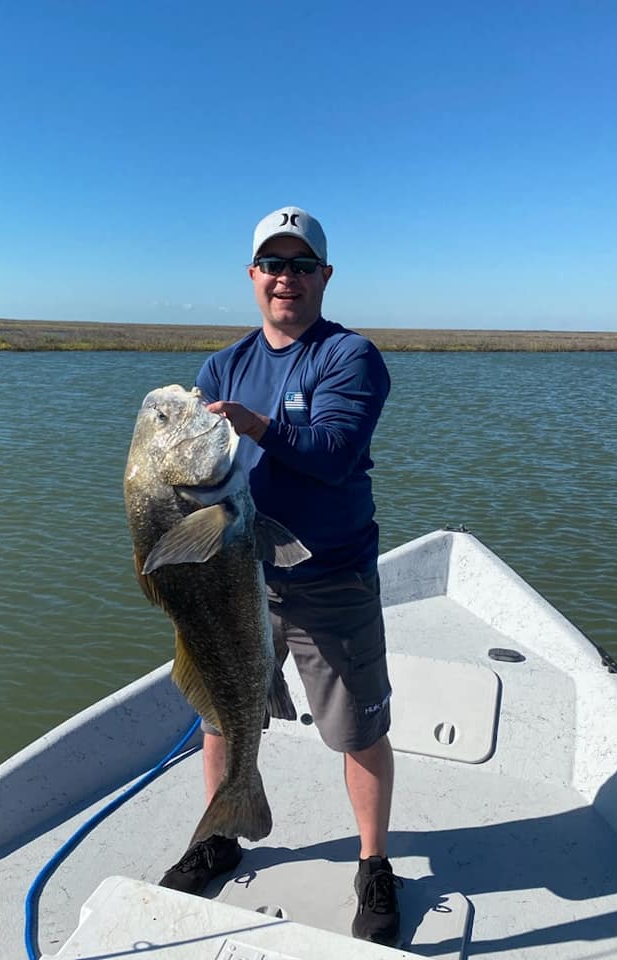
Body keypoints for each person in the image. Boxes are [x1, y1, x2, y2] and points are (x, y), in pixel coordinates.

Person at [159, 206, 398, 946]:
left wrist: (258, 426)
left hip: (330, 580)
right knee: (221, 712)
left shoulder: (350, 357)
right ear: (252, 276)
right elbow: (184, 486)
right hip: (237, 579)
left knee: (356, 728)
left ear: (324, 276)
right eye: (273, 264)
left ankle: (373, 861)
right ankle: (220, 833)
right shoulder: (222, 366)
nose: (285, 278)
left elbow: (330, 452)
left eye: (301, 265)